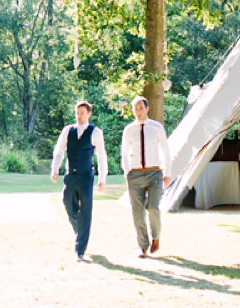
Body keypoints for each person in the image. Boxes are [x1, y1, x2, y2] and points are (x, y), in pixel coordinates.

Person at [49, 99, 108, 261]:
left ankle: (80, 249)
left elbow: (102, 157)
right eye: (77, 113)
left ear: (89, 114)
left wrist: (102, 178)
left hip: (86, 177)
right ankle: (79, 231)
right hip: (71, 176)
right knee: (68, 205)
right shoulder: (68, 131)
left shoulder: (96, 133)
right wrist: (55, 169)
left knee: (86, 211)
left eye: (82, 113)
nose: (79, 116)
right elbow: (59, 151)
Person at [120, 95, 171, 258]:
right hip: (135, 174)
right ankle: (143, 246)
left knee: (153, 208)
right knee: (137, 211)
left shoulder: (156, 127)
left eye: (141, 108)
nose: (138, 111)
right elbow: (124, 153)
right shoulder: (129, 130)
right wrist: (128, 172)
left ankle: (156, 237)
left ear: (147, 109)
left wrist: (167, 173)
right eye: (135, 109)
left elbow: (165, 150)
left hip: (154, 172)